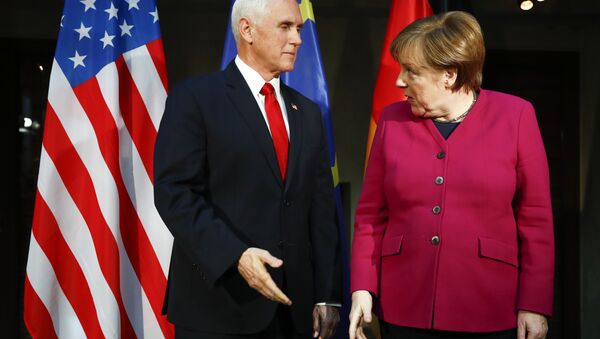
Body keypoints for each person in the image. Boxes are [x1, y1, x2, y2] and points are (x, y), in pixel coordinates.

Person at [349, 11, 554, 339]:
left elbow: (536, 220)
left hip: (489, 306)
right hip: (404, 306)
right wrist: (362, 288)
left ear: (449, 74)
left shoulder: (516, 116)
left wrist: (535, 303)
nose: (399, 81)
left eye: (412, 71)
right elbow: (371, 216)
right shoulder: (391, 120)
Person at [153, 0, 341, 338]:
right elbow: (175, 194)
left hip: (294, 312)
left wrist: (328, 295)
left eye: (298, 28)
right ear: (247, 29)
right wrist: (235, 255)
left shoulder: (308, 113)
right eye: (286, 27)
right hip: (219, 307)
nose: (298, 39)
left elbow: (321, 210)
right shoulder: (196, 98)